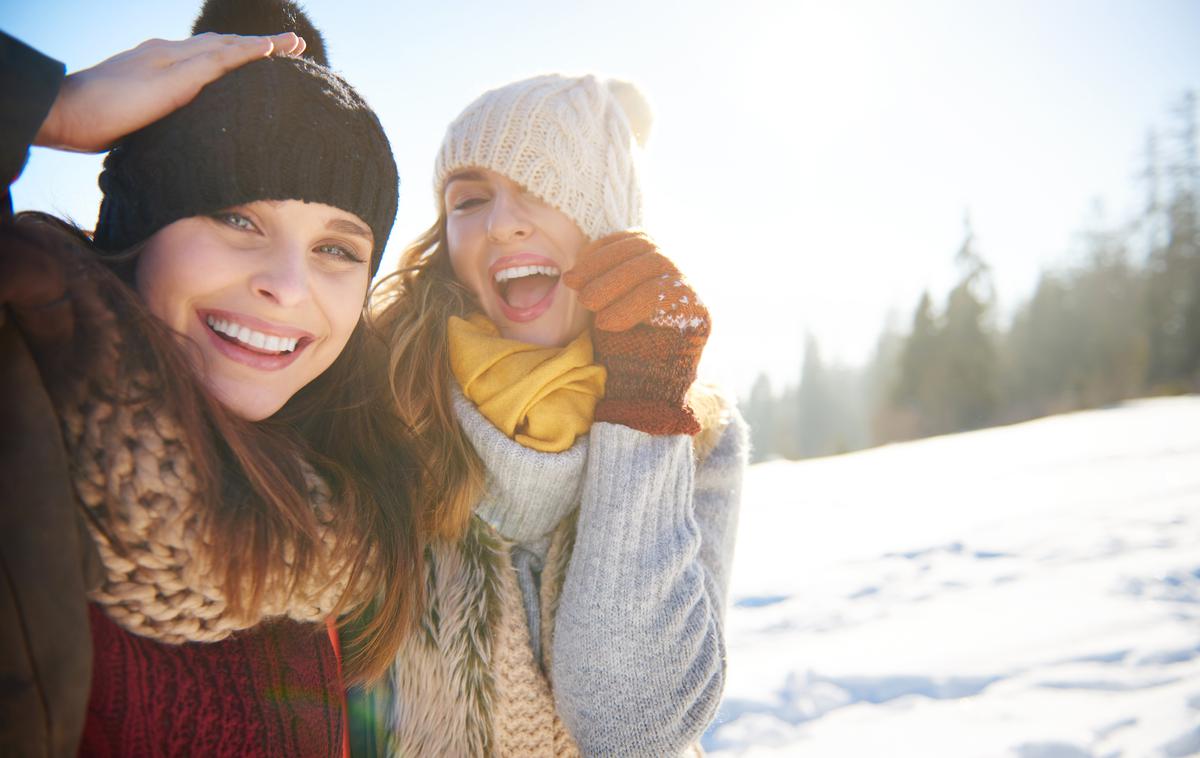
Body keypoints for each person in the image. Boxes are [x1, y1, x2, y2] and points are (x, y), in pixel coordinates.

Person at [0, 1, 422, 754]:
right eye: (236, 218)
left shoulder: (340, 532)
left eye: (336, 249)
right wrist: (49, 106)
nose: (287, 287)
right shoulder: (20, 420)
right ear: (136, 231)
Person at [362, 74, 748, 756]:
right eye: (469, 201)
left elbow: (635, 729)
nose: (500, 222)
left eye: (539, 187)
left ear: (609, 224)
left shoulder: (697, 436)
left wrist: (644, 412)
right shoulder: (382, 404)